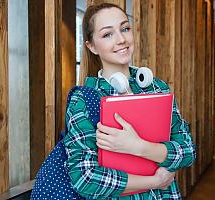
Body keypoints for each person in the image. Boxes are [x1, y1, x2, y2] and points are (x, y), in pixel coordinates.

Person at [63, 3, 196, 199]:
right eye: (108, 34)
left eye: (125, 28)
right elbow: (85, 178)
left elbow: (188, 150)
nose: (121, 39)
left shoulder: (157, 87)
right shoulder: (83, 100)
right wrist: (156, 181)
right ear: (91, 46)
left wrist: (138, 147)